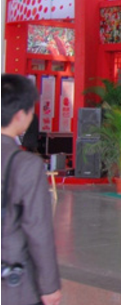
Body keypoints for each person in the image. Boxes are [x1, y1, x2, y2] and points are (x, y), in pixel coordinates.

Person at [1, 74, 62, 305]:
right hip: (12, 283)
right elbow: (38, 228)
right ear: (20, 115)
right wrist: (49, 285)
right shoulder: (25, 165)